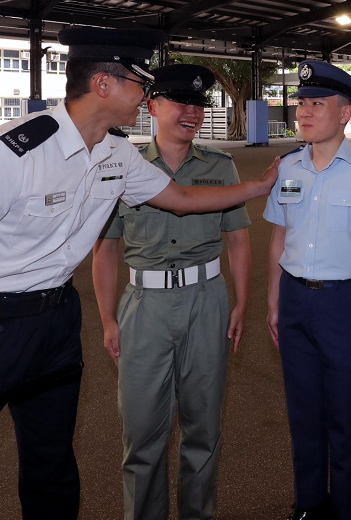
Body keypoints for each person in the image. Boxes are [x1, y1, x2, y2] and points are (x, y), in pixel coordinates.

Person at [0, 28, 279, 520]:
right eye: (140, 84)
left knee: (51, 467)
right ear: (103, 84)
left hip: (56, 320)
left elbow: (181, 199)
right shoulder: (8, 152)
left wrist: (258, 187)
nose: (145, 95)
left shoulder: (117, 152)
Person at [91, 64, 252, 520]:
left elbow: (238, 238)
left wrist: (241, 302)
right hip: (145, 308)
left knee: (204, 429)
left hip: (206, 300)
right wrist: (108, 319)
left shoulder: (220, 166)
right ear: (152, 106)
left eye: (199, 104)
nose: (192, 112)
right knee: (142, 434)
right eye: (181, 101)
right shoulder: (124, 166)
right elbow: (105, 249)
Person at [264, 61, 351, 520]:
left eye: (316, 103)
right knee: (302, 411)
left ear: (344, 113)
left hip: (344, 304)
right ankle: (309, 503)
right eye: (301, 103)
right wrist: (274, 300)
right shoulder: (287, 167)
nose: (303, 111)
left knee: (343, 414)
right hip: (295, 298)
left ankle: (347, 508)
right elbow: (278, 237)